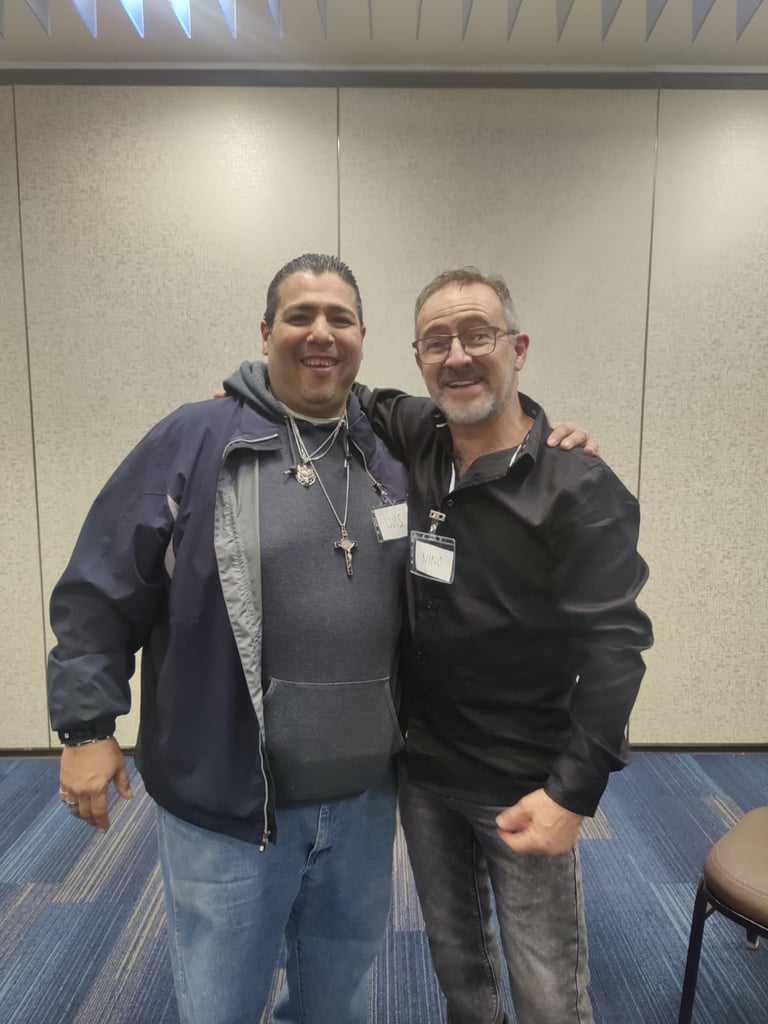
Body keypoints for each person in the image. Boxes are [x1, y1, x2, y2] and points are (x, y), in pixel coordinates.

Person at [47, 253, 592, 1024]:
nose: (320, 333)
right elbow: (100, 584)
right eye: (300, 316)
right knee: (222, 1000)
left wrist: (550, 434)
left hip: (365, 800)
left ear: (364, 338)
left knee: (336, 997)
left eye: (339, 318)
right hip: (230, 800)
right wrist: (85, 725)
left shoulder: (394, 448)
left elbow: (487, 427)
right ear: (265, 332)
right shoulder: (198, 439)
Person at [358, 268, 653, 1024]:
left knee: (550, 998)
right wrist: (250, 385)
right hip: (424, 775)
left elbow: (617, 651)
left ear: (517, 347)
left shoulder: (578, 486)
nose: (456, 355)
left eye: (477, 335)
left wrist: (571, 797)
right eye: (436, 341)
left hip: (526, 785)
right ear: (418, 359)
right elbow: (334, 385)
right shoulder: (417, 435)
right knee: (464, 982)